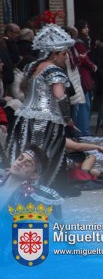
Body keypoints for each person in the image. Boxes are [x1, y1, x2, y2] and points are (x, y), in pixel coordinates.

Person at [2, 24, 75, 186]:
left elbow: (23, 90)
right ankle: (35, 195)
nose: (66, 57)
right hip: (46, 122)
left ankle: (13, 194)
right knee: (39, 160)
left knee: (21, 158)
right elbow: (59, 96)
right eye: (63, 54)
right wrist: (68, 118)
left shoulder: (31, 66)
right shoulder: (54, 71)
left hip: (24, 118)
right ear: (54, 55)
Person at [0, 146, 62, 212]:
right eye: (20, 158)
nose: (19, 163)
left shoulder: (33, 200)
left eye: (27, 164)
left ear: (34, 175)